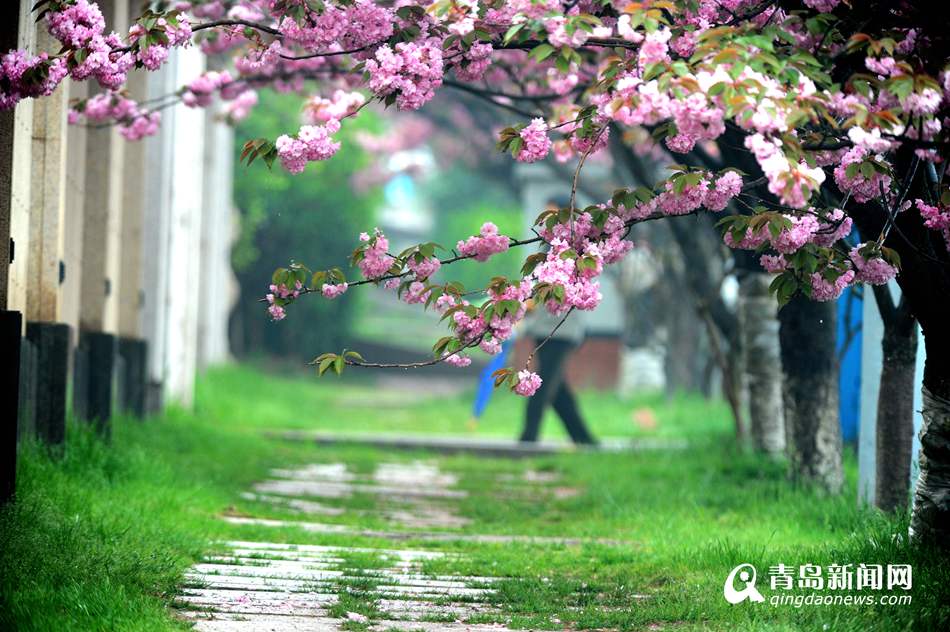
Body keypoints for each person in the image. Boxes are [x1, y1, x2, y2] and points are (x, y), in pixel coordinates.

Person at [519, 306, 597, 445]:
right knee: (550, 385)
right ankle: (581, 437)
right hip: (553, 329)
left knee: (549, 386)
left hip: (556, 330)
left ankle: (530, 437)